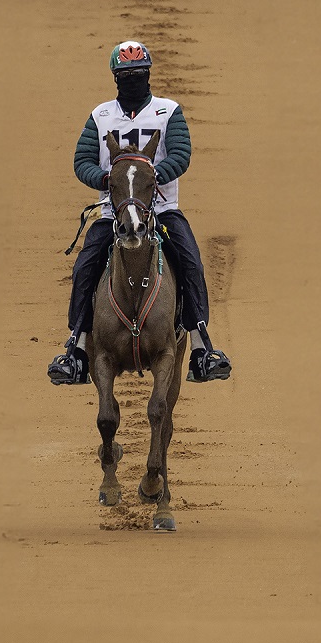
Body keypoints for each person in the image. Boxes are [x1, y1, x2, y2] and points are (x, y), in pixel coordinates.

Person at [47, 40, 232, 386]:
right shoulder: (100, 116)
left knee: (191, 263)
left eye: (139, 74)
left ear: (148, 75)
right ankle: (76, 349)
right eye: (126, 75)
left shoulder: (168, 111)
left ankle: (201, 348)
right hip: (113, 212)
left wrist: (149, 176)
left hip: (161, 210)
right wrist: (106, 179)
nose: (133, 80)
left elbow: (181, 154)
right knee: (85, 267)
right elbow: (82, 161)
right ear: (116, 78)